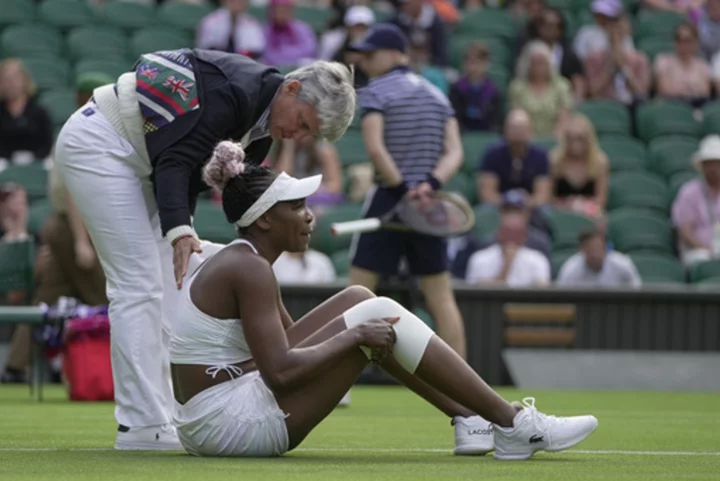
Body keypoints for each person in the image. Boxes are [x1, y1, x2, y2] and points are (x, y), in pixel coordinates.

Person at [170, 143, 599, 458]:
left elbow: (289, 346)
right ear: (264, 219)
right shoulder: (250, 268)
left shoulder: (246, 260)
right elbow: (282, 373)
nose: (309, 214)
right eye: (296, 205)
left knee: (360, 296)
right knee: (370, 314)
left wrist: (359, 332)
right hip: (225, 427)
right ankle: (515, 423)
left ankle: (469, 417)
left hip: (213, 414)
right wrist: (356, 334)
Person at [53, 48, 356, 450]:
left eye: (310, 135)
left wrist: (219, 244)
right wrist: (180, 232)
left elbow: (207, 181)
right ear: (292, 88)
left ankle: (172, 414)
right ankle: (141, 426)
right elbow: (176, 161)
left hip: (145, 164)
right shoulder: (235, 93)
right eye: (303, 123)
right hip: (102, 144)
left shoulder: (262, 128)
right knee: (138, 286)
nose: (299, 137)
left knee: (180, 275)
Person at [347, 24, 467, 361]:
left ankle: (335, 383)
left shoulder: (375, 92)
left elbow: (375, 148)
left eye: (372, 54)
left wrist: (403, 188)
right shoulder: (438, 95)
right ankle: (466, 389)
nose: (366, 61)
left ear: (397, 54)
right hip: (429, 204)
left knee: (356, 294)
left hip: (389, 199)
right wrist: (429, 185)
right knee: (441, 298)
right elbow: (455, 152)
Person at [465, 208, 551, 287]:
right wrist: (506, 266)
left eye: (516, 233)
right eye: (508, 232)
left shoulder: (538, 259)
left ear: (524, 237)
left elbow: (541, 290)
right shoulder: (480, 258)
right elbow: (475, 291)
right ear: (499, 234)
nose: (511, 237)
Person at [672, 135, 720, 266]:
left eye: (716, 163)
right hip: (698, 251)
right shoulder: (689, 192)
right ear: (703, 166)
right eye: (709, 163)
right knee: (702, 259)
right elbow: (684, 231)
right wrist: (706, 249)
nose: (713, 168)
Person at [550, 113, 609, 219]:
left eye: (580, 138)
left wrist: (583, 207)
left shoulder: (600, 162)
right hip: (560, 212)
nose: (575, 144)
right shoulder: (555, 160)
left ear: (588, 139)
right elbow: (549, 197)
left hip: (590, 214)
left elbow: (601, 200)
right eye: (571, 139)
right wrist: (565, 206)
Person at [509, 40, 573, 136]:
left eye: (542, 62)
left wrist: (551, 140)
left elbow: (564, 118)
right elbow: (517, 118)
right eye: (535, 63)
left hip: (556, 138)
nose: (538, 67)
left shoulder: (561, 86)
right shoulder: (517, 87)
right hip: (525, 140)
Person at [0, 58, 54, 166]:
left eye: (14, 77)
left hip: (38, 161)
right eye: (6, 78)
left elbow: (47, 143)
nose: (10, 83)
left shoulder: (39, 111)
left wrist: (33, 157)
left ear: (25, 80)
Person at [556, 228, 641, 287]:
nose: (595, 254)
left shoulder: (622, 265)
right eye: (590, 249)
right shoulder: (571, 269)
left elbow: (637, 292)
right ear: (581, 250)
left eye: (598, 248)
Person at [654, 23, 711, 107]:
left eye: (687, 40)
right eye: (679, 39)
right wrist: (691, 89)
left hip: (696, 107)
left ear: (695, 42)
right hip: (670, 106)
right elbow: (665, 90)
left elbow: (704, 92)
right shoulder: (663, 61)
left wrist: (680, 89)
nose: (682, 44)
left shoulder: (702, 65)